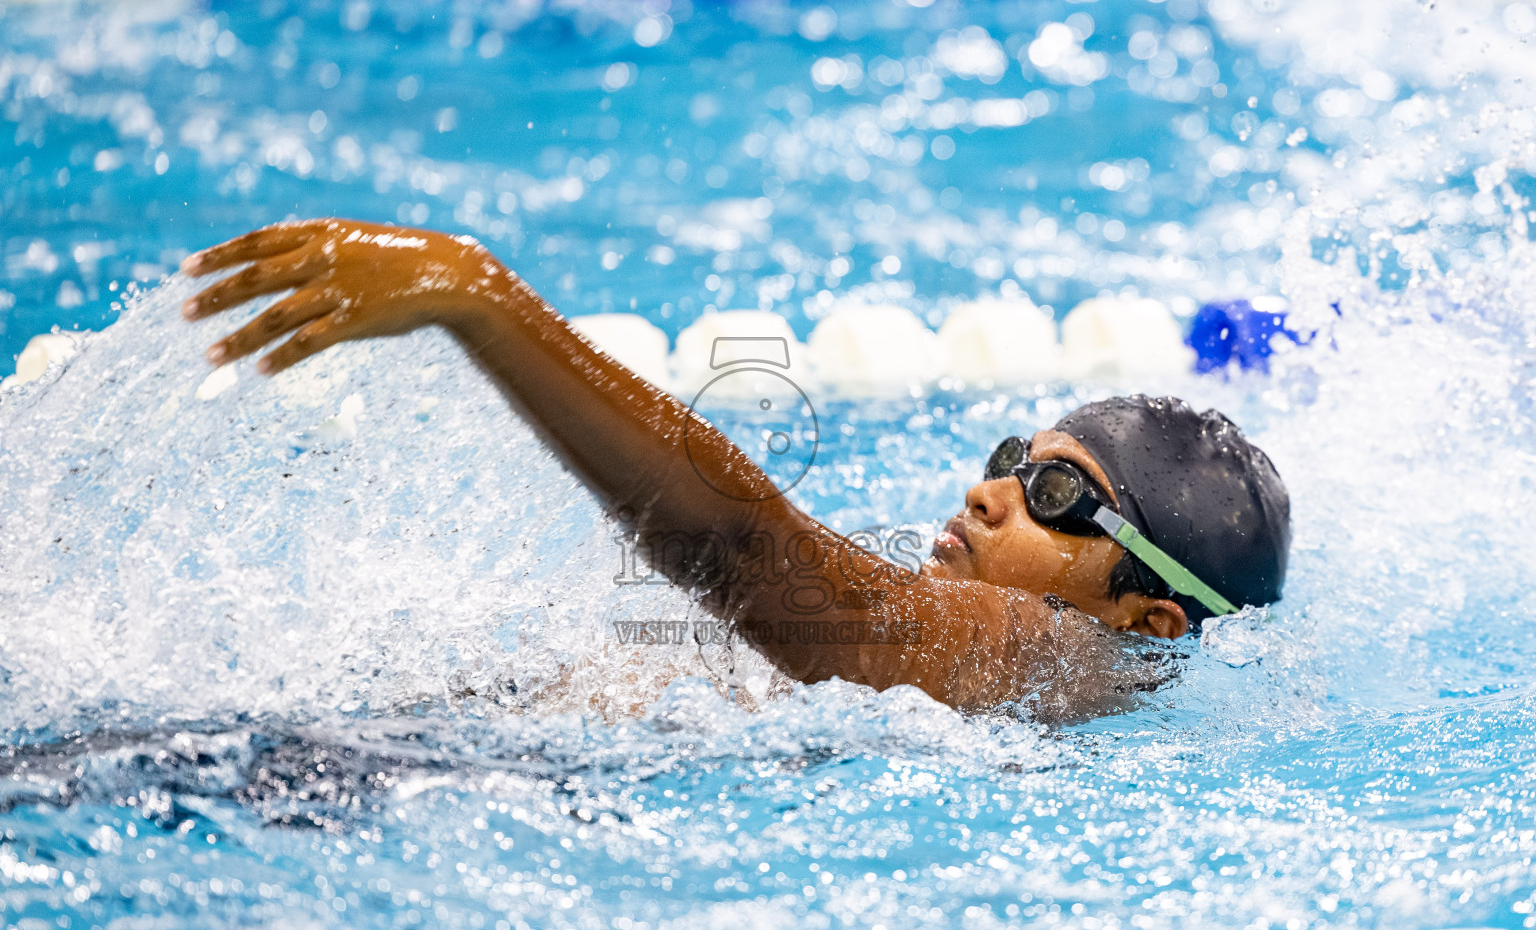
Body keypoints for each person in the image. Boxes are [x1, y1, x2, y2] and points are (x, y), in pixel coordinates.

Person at [179, 219, 1290, 722]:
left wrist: (484, 299)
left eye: (1059, 496)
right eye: (1015, 458)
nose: (989, 490)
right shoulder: (1054, 666)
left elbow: (747, 555)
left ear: (1152, 619)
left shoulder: (1052, 654)